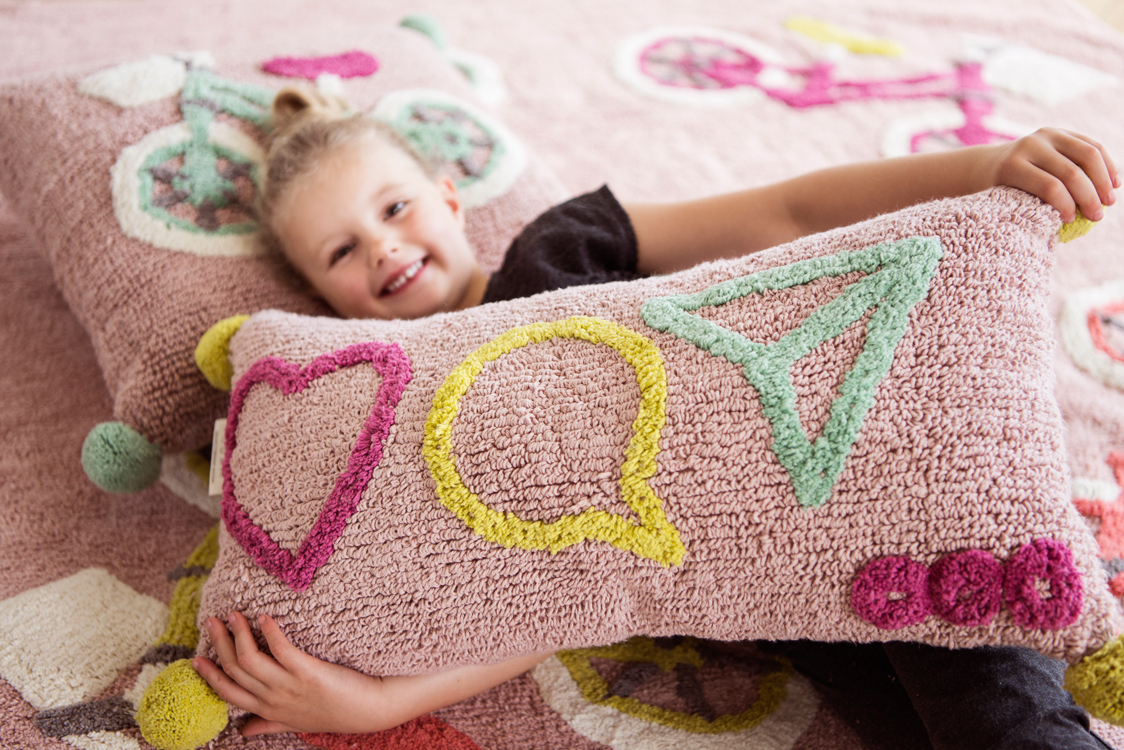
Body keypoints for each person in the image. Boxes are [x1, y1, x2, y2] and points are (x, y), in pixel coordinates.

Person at [192, 86, 1119, 747]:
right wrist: (378, 704)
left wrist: (984, 167)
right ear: (325, 305)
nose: (385, 247)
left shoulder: (556, 245)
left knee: (997, 707)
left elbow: (784, 210)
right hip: (773, 588)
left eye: (394, 207)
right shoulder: (414, 421)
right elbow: (532, 603)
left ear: (447, 195)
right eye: (343, 251)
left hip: (869, 463)